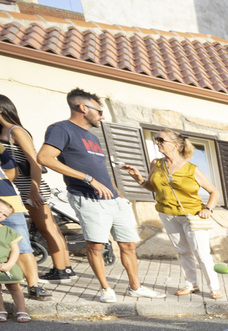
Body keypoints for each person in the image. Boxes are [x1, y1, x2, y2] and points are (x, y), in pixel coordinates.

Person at [37, 88, 163, 302]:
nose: (102, 116)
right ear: (83, 108)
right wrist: (88, 179)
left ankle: (136, 287)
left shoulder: (92, 137)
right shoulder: (61, 129)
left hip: (114, 200)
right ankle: (106, 289)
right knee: (96, 245)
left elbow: (100, 169)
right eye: (99, 111)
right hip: (87, 198)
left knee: (128, 245)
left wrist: (118, 192)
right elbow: (45, 157)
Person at [119, 128, 222, 298]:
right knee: (182, 251)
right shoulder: (156, 164)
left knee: (201, 253)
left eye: (161, 140)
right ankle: (191, 284)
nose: (157, 142)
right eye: (156, 139)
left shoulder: (191, 169)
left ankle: (214, 286)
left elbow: (214, 192)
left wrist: (208, 209)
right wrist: (138, 178)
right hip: (167, 214)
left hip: (192, 215)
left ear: (175, 145)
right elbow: (152, 187)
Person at [0, 95, 59, 295]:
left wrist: (34, 188)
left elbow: (35, 162)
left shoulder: (16, 131)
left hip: (30, 187)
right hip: (19, 188)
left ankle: (61, 269)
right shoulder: (3, 133)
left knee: (47, 228)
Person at [0, 197, 31, 322]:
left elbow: (15, 250)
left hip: (7, 264)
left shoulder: (8, 231)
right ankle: (1, 310)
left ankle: (22, 310)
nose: (0, 215)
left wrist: (9, 264)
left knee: (14, 287)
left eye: (4, 215)